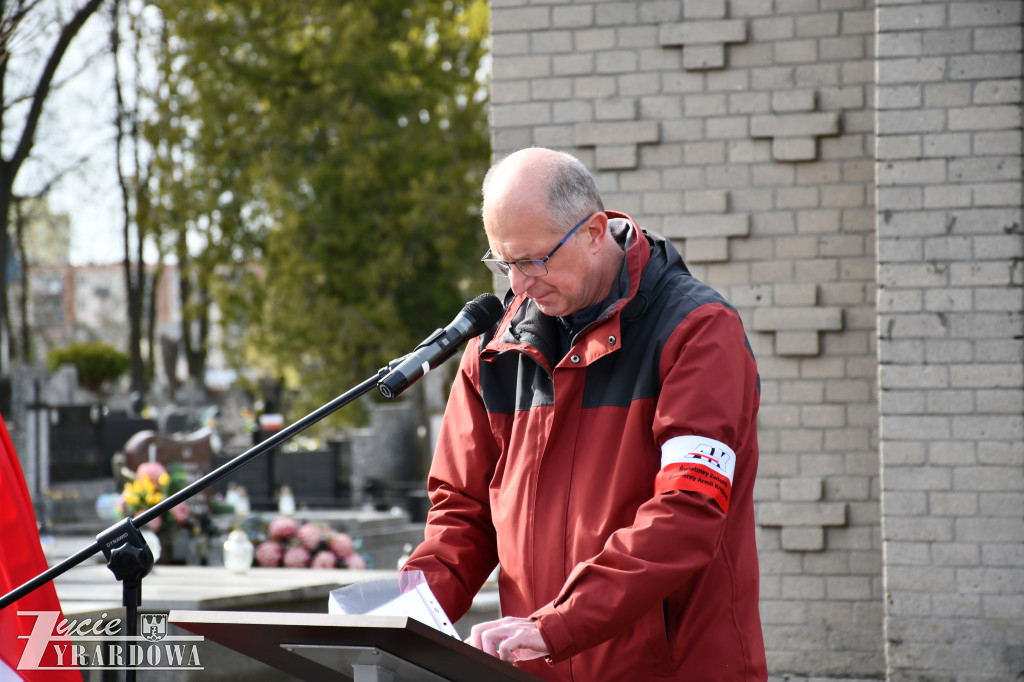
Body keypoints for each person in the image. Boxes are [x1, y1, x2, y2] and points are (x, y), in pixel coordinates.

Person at [401, 147, 767, 681]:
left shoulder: (699, 332)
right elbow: (462, 513)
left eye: (533, 260)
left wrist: (556, 626)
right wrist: (401, 614)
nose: (518, 285)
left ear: (595, 231)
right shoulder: (492, 352)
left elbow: (687, 511)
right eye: (504, 263)